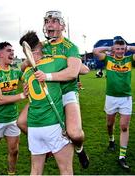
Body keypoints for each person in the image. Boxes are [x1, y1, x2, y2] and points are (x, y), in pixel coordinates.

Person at [40, 10, 90, 168]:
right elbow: (24, 67)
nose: (49, 24)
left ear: (62, 26)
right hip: (47, 93)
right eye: (47, 21)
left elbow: (71, 73)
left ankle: (79, 148)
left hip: (67, 92)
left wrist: (46, 76)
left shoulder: (70, 47)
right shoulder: (41, 47)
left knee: (74, 133)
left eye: (54, 21)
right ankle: (49, 147)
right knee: (21, 122)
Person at [20, 31, 74, 175]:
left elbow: (23, 67)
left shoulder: (25, 72)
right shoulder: (54, 62)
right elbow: (79, 69)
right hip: (53, 126)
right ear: (38, 47)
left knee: (36, 171)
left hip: (34, 128)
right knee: (66, 170)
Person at [93, 39, 135, 169]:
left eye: (122, 49)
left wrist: (128, 47)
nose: (119, 51)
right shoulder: (108, 59)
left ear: (124, 49)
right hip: (111, 98)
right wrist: (109, 49)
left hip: (125, 98)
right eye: (117, 49)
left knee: (124, 127)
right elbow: (95, 51)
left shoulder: (129, 60)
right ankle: (111, 139)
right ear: (114, 49)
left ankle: (122, 156)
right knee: (109, 124)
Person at [0, 42, 27, 175]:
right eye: (9, 51)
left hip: (12, 119)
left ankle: (11, 173)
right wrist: (22, 95)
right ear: (0, 54)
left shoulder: (15, 72)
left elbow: (29, 78)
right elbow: (0, 99)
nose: (12, 53)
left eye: (13, 51)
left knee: (14, 151)